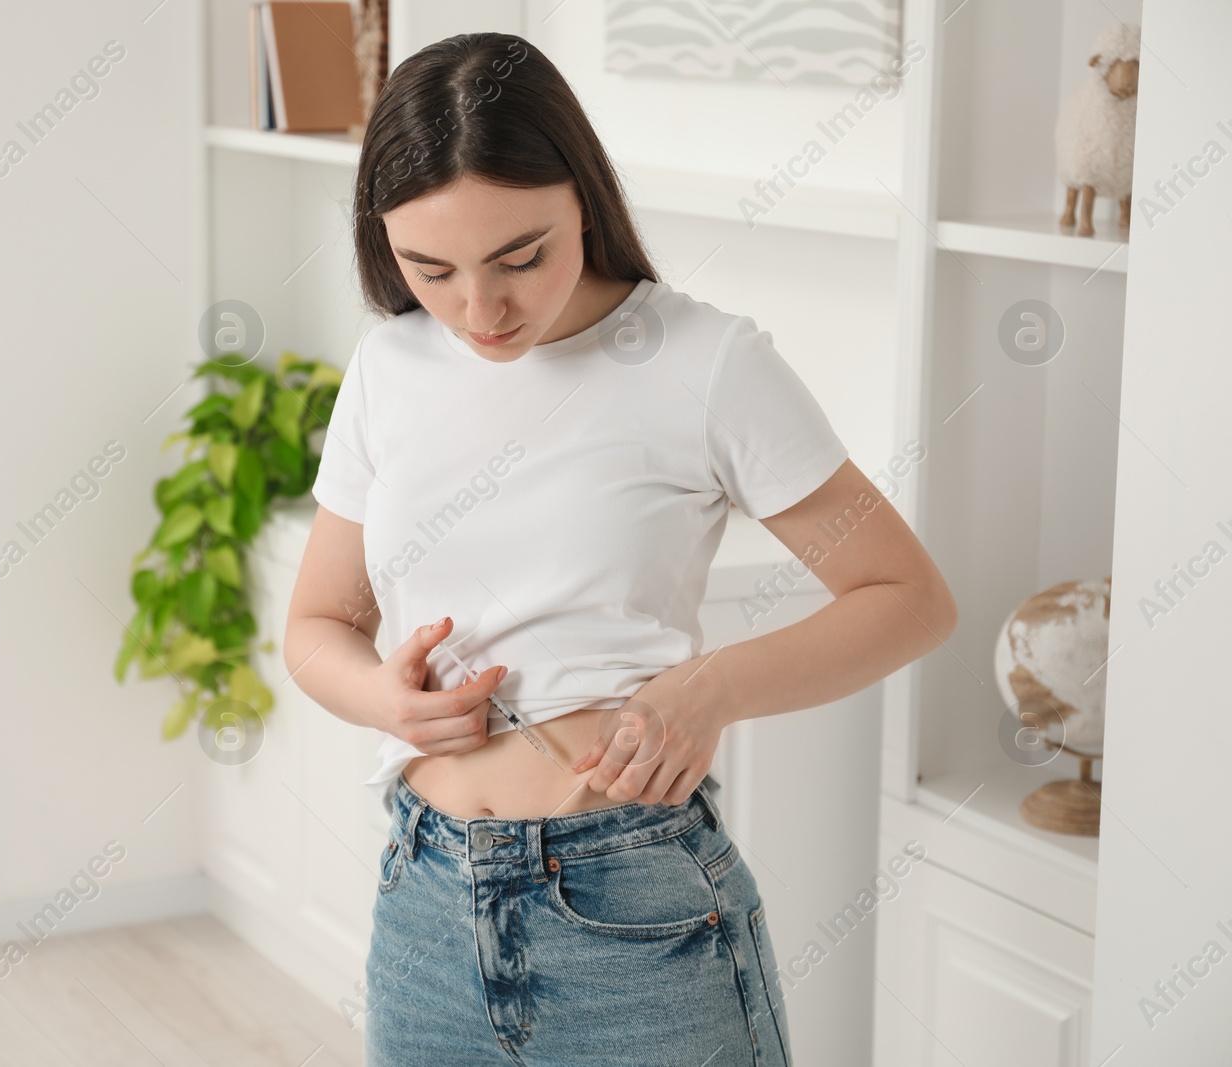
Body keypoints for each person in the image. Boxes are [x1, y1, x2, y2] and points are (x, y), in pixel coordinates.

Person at [283, 31, 957, 1067]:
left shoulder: (703, 360)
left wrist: (711, 688)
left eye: (520, 256)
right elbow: (318, 624)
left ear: (583, 202)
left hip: (630, 901)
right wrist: (385, 701)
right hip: (422, 896)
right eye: (432, 270)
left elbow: (907, 596)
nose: (480, 309)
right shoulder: (390, 367)